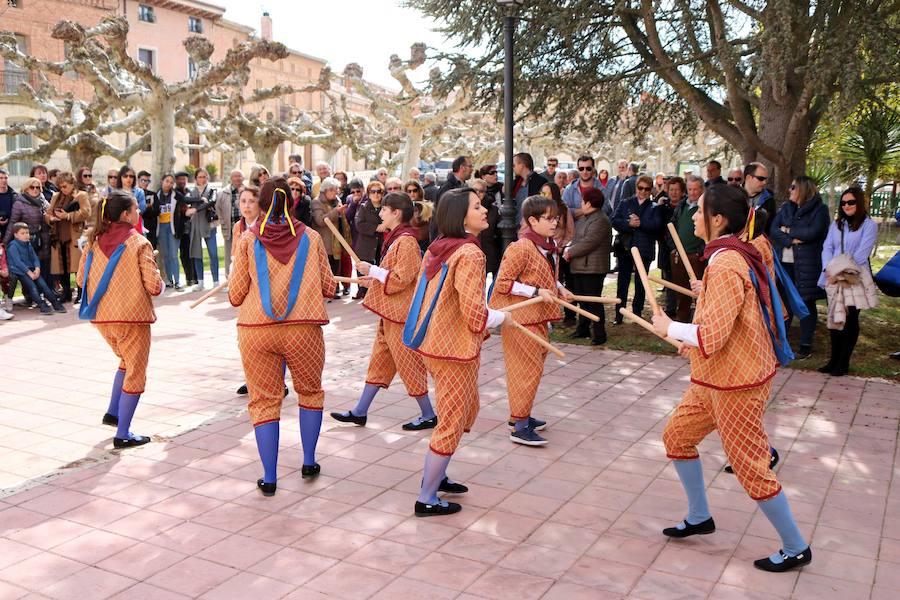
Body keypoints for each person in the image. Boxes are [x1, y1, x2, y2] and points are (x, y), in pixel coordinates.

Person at [651, 184, 812, 573]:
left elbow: (712, 335)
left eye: (699, 210)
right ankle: (699, 516)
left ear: (718, 219)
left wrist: (670, 326)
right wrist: (706, 293)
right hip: (715, 376)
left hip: (737, 381)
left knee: (749, 464)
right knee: (677, 436)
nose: (692, 216)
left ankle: (795, 546)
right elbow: (739, 308)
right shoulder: (735, 255)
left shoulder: (726, 262)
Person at [404, 187, 511, 516]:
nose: (484, 211)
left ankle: (440, 474)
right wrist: (497, 318)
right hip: (453, 350)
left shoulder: (438, 247)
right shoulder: (470, 254)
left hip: (434, 344)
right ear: (459, 216)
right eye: (477, 207)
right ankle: (427, 497)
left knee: (463, 410)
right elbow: (472, 309)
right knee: (451, 420)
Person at [228, 178, 337, 494]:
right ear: (290, 203)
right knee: (310, 392)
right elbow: (330, 287)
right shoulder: (312, 238)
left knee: (263, 400)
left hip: (256, 331)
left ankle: (270, 476)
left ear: (260, 204)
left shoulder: (248, 240)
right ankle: (308, 460)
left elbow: (236, 296)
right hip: (303, 329)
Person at [331, 192, 437, 430]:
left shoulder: (407, 241)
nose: (379, 214)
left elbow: (401, 279)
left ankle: (429, 414)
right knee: (379, 364)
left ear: (395, 213)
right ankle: (360, 412)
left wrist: (374, 270)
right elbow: (391, 275)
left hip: (400, 316)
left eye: (384, 210)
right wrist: (371, 275)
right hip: (389, 314)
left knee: (410, 366)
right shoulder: (398, 239)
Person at [77, 189, 163, 448]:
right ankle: (123, 433)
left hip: (103, 318)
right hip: (133, 318)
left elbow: (81, 280)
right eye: (136, 209)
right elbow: (154, 286)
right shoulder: (138, 243)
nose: (139, 212)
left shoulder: (93, 241)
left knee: (126, 360)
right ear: (126, 214)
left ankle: (113, 412)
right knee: (136, 371)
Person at [490, 194, 573, 446]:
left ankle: (521, 416)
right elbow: (503, 283)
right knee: (524, 371)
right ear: (532, 220)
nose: (554, 223)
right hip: (519, 319)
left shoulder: (547, 245)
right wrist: (536, 292)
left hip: (536, 317)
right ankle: (519, 425)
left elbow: (542, 274)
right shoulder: (520, 247)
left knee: (533, 369)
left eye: (556, 218)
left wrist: (559, 288)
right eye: (548, 219)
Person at [817, 186, 878, 376]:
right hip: (831, 277)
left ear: (859, 203)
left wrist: (840, 273)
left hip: (853, 277)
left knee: (850, 319)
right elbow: (827, 247)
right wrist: (828, 269)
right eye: (843, 203)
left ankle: (843, 362)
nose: (846, 205)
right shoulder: (836, 224)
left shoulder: (869, 225)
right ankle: (833, 360)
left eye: (851, 202)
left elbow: (861, 254)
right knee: (835, 317)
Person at [770, 175, 830, 359]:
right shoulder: (786, 207)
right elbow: (773, 229)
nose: (790, 190)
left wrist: (788, 231)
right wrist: (791, 238)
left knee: (806, 303)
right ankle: (783, 341)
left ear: (803, 189)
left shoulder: (820, 209)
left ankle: (805, 345)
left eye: (793, 187)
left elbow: (814, 232)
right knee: (785, 303)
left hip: (807, 264)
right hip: (785, 263)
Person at [564, 188, 611, 344]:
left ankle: (599, 334)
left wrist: (570, 252)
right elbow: (578, 239)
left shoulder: (600, 220)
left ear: (589, 203)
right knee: (582, 300)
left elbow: (589, 242)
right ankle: (582, 329)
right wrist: (568, 249)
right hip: (580, 266)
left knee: (593, 301)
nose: (581, 204)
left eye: (583, 201)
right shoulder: (586, 218)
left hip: (593, 268)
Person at [612, 175, 662, 323]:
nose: (643, 192)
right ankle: (618, 314)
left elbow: (657, 226)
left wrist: (640, 224)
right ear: (636, 188)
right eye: (640, 188)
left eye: (647, 189)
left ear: (651, 190)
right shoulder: (625, 203)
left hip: (644, 249)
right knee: (623, 283)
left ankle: (637, 313)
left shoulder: (654, 207)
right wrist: (629, 224)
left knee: (641, 284)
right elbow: (614, 221)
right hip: (625, 248)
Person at [45, 172, 90, 304]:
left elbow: (86, 212)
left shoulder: (81, 195)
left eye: (65, 186)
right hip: (58, 237)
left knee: (78, 267)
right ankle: (66, 293)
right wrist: (51, 218)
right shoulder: (56, 196)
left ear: (72, 184)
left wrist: (68, 216)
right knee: (62, 267)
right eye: (60, 186)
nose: (62, 189)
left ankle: (81, 294)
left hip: (74, 236)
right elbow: (47, 213)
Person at [666, 176, 705, 322]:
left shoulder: (704, 209)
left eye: (696, 189)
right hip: (678, 257)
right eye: (690, 189)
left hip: (696, 257)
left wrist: (701, 252)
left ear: (701, 189)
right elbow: (671, 227)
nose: (693, 193)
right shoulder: (681, 206)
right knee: (681, 294)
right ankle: (681, 325)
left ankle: (699, 325)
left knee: (698, 293)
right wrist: (673, 248)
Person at [6, 222, 65, 314]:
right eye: (23, 233)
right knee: (32, 287)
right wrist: (29, 272)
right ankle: (42, 305)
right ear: (16, 235)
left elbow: (34, 257)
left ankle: (55, 303)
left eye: (27, 233)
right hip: (20, 271)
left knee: (43, 285)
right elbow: (18, 262)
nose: (26, 235)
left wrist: (37, 268)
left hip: (32, 269)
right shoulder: (13, 246)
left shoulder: (28, 244)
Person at [2, 177, 50, 286]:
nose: (35, 190)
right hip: (27, 241)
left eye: (38, 187)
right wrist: (5, 242)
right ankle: (29, 296)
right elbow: (13, 223)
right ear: (26, 189)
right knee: (28, 267)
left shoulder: (43, 202)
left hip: (43, 240)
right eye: (32, 187)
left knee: (42, 267)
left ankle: (43, 293)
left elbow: (50, 215)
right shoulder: (19, 203)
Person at [311, 177, 350, 300]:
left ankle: (335, 287)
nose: (336, 192)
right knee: (327, 266)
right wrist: (336, 211)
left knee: (335, 265)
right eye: (333, 190)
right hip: (325, 240)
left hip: (337, 240)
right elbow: (321, 221)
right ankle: (329, 289)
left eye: (336, 189)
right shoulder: (317, 202)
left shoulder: (336, 200)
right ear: (325, 190)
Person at [185, 169, 219, 290]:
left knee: (213, 254)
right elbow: (186, 202)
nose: (202, 179)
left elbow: (211, 202)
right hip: (195, 226)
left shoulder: (212, 190)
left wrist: (195, 209)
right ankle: (200, 282)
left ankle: (216, 282)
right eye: (200, 177)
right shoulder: (191, 191)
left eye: (204, 176)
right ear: (195, 179)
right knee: (197, 253)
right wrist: (199, 201)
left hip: (209, 226)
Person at [353, 179, 384, 300]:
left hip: (380, 245)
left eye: (379, 191)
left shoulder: (386, 208)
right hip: (366, 245)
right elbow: (359, 224)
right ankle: (362, 292)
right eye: (373, 191)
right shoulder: (364, 207)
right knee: (363, 269)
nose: (376, 194)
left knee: (379, 270)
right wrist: (376, 228)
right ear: (368, 193)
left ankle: (376, 295)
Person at [471, 178, 502, 279]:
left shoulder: (493, 210)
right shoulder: (463, 208)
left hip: (489, 253)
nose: (478, 193)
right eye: (475, 190)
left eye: (481, 191)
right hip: (470, 253)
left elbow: (499, 233)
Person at [155, 174, 181, 289]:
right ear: (162, 181)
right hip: (161, 228)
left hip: (172, 228)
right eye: (167, 181)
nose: (169, 184)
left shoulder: (175, 195)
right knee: (165, 256)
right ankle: (169, 280)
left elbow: (186, 200)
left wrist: (201, 200)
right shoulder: (156, 195)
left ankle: (177, 281)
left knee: (174, 255)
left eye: (171, 182)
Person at [216, 169, 244, 276]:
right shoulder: (223, 193)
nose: (237, 178)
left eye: (239, 176)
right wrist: (222, 222)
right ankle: (229, 278)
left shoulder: (247, 191)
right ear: (231, 178)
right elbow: (218, 209)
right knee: (229, 255)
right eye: (235, 176)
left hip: (244, 229)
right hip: (230, 228)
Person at [562, 155, 607, 220]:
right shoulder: (569, 189)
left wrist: (577, 213)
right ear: (578, 169)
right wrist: (586, 210)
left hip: (595, 228)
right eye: (581, 169)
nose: (584, 171)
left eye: (588, 169)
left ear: (593, 169)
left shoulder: (602, 189)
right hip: (575, 229)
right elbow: (564, 211)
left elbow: (606, 211)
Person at [511, 152, 548, 226]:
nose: (512, 168)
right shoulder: (515, 183)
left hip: (533, 224)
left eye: (513, 165)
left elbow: (545, 203)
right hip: (516, 224)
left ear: (522, 165)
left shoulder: (540, 182)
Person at [173, 172, 197, 287]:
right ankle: (189, 278)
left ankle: (194, 278)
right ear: (176, 180)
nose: (182, 181)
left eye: (184, 179)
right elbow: (184, 206)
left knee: (192, 252)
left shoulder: (189, 191)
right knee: (184, 253)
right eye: (180, 179)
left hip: (191, 226)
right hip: (180, 227)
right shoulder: (175, 193)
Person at [744, 162, 775, 233]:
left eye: (765, 179)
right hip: (734, 242)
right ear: (748, 177)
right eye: (761, 178)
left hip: (758, 242)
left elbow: (771, 227)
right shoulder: (734, 195)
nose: (764, 182)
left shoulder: (769, 200)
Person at [0, 168, 15, 242]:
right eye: (1, 178)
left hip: (11, 231)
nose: (4, 180)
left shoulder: (14, 195)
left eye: (6, 178)